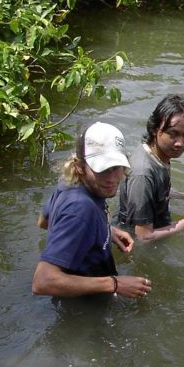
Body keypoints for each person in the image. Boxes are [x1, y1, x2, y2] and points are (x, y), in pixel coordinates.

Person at [32, 122, 152, 298]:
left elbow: (44, 222)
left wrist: (102, 229)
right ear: (80, 166)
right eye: (101, 169)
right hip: (85, 306)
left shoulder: (69, 183)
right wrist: (115, 284)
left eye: (116, 167)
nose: (111, 178)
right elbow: (42, 282)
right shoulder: (80, 209)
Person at [117, 94, 184, 240]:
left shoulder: (156, 156)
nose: (180, 143)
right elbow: (143, 237)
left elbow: (157, 193)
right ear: (155, 129)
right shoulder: (143, 173)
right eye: (173, 134)